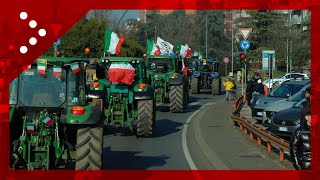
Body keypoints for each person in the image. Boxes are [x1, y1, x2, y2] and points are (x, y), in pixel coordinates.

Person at [290, 105, 311, 170]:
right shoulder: (299, 131)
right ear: (306, 117)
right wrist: (297, 165)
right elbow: (293, 148)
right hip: (305, 165)